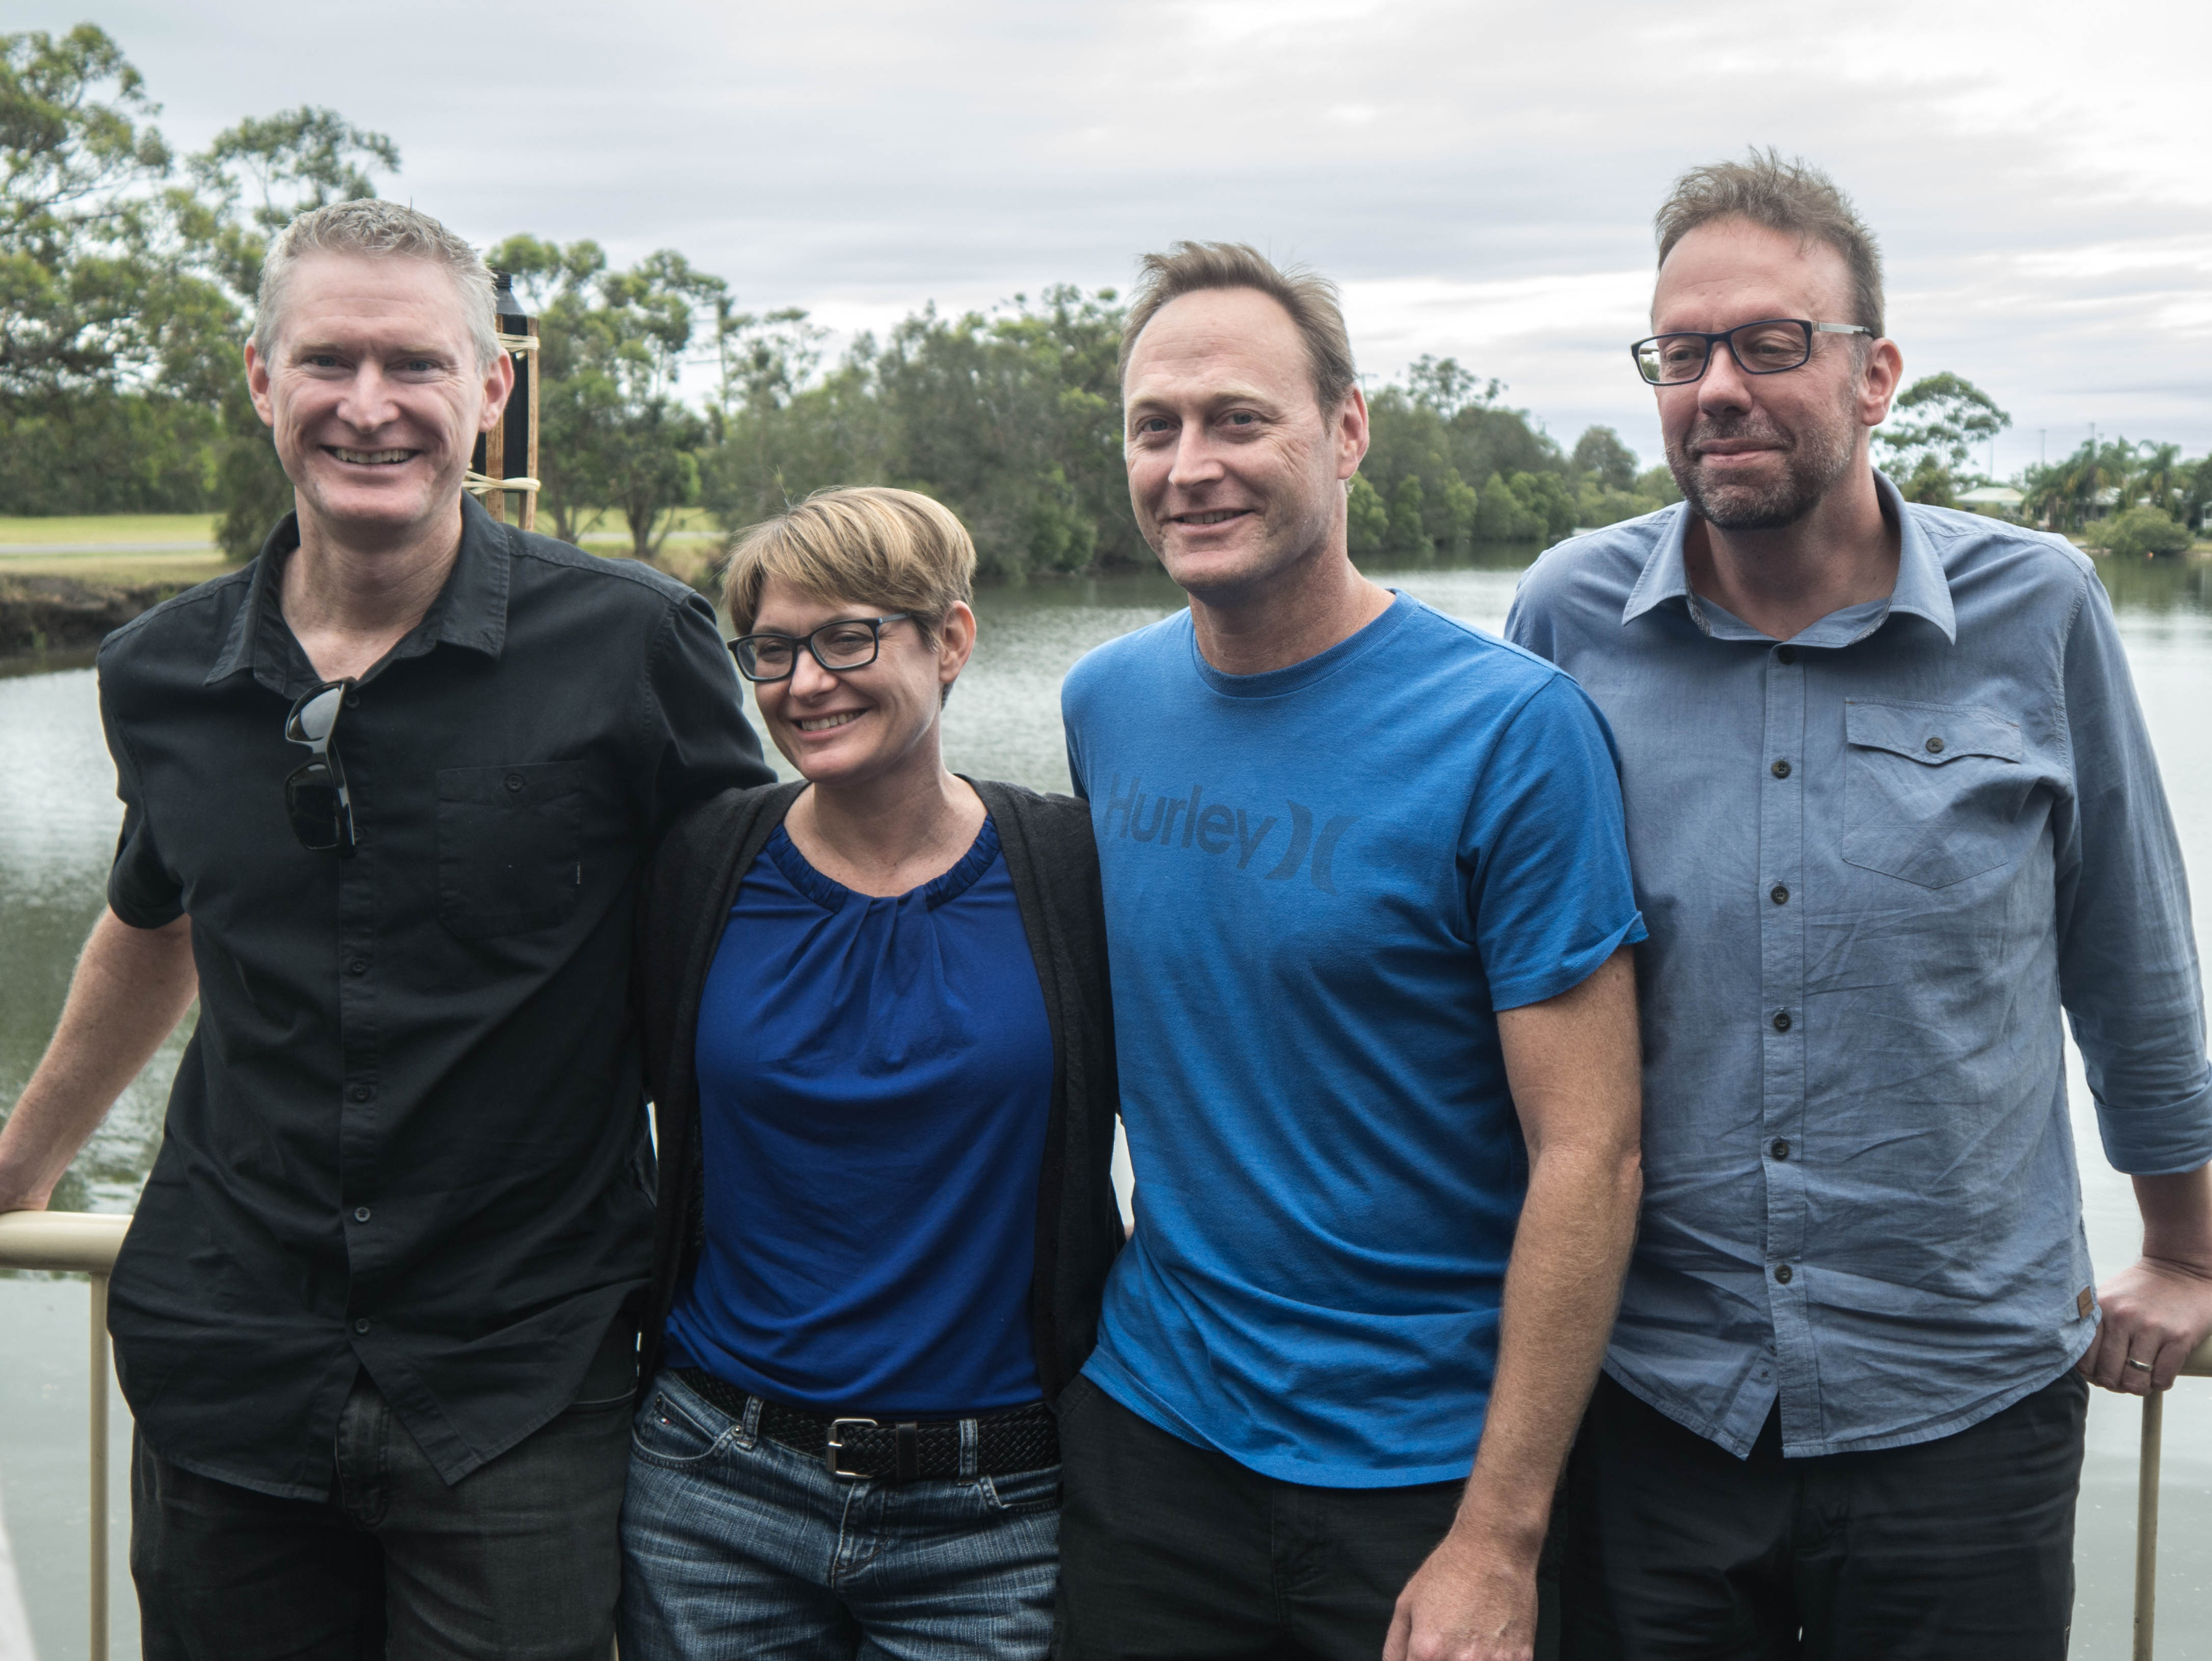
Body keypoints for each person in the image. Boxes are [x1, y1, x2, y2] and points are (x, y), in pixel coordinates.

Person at [0, 199, 774, 1659]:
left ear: (490, 389)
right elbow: (152, 917)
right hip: (230, 1368)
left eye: (415, 363)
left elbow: (765, 934)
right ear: (261, 380)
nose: (370, 406)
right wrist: (20, 1159)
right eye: (327, 360)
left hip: (523, 1380)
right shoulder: (159, 671)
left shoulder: (634, 645)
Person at [1505, 152, 2212, 1659]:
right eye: (1678, 353)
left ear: (1873, 374)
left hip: (1962, 1405)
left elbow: (2130, 961)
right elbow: (1503, 980)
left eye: (1768, 344)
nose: (1716, 389)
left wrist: (2186, 1250)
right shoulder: (1567, 615)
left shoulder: (2039, 606)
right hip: (1654, 1402)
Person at [1053, 242, 1647, 1661]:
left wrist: (1499, 1534)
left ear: (1345, 430)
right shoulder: (1101, 703)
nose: (1189, 466)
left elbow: (1590, 1152)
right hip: (1151, 1439)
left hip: (1422, 1476)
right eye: (1154, 426)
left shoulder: (1511, 732)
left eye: (1237, 419)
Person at [617, 486, 1122, 1659]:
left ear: (950, 639)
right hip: (716, 1486)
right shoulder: (701, 866)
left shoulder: (1070, 871)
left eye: (847, 639)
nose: (804, 683)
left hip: (997, 1511)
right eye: (772, 650)